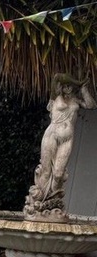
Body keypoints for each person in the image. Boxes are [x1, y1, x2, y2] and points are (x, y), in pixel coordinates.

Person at [25, 74, 96, 220]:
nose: (68, 88)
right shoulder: (55, 97)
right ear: (61, 87)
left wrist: (83, 89)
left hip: (67, 138)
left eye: (70, 86)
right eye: (65, 85)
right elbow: (56, 77)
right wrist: (77, 79)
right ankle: (40, 202)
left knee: (58, 173)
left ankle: (52, 203)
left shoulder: (76, 100)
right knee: (45, 172)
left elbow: (91, 105)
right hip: (51, 136)